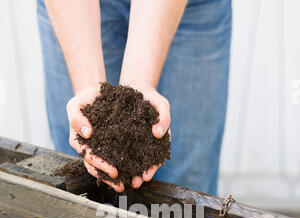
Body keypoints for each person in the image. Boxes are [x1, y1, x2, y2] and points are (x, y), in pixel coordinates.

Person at [37, 0, 231, 194]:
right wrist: (87, 85)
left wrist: (139, 84)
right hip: (74, 9)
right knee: (81, 173)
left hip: (190, 9)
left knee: (187, 183)